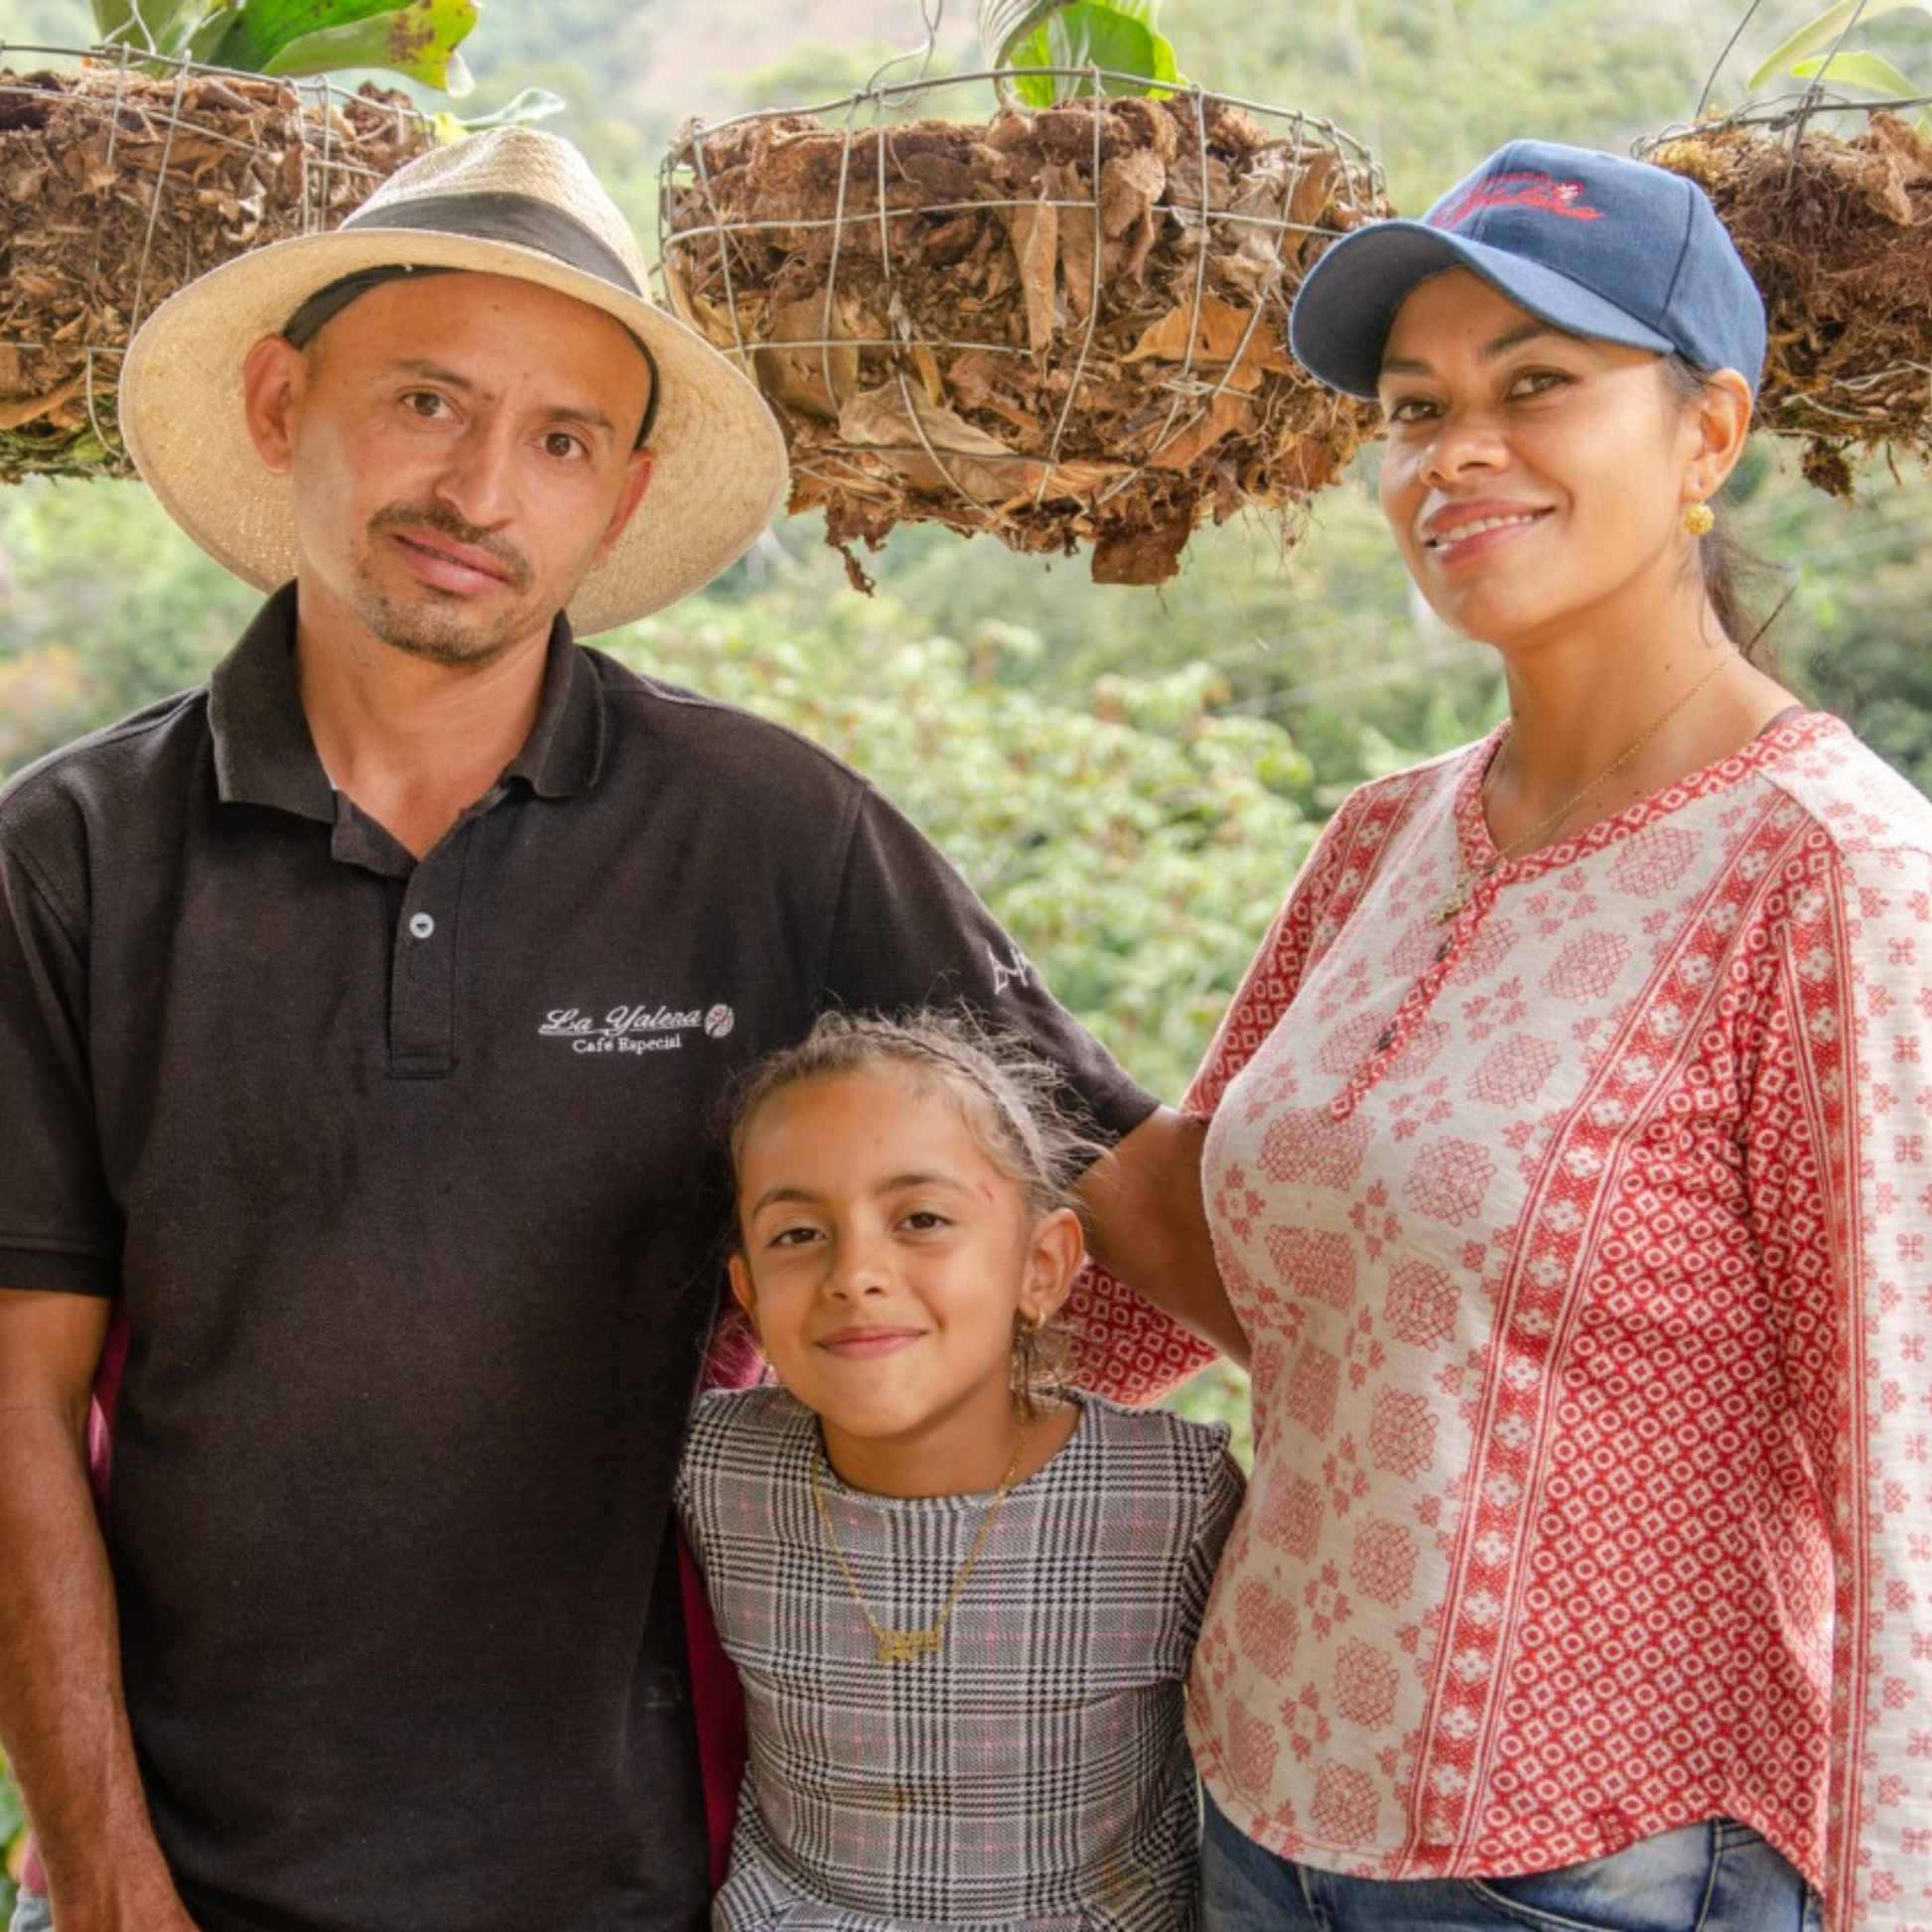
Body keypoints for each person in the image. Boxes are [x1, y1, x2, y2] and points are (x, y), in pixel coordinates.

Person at [0, 129, 1236, 1932]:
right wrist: (105, 1868)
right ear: (283, 401)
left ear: (620, 488)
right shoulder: (69, 858)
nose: (483, 488)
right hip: (194, 1867)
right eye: (426, 399)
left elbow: (1124, 1208)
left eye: (560, 440)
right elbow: (17, 1406)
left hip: (654, 1867)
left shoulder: (772, 829)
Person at [1166, 141, 1932, 1929]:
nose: (1455, 452)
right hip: (1259, 1803)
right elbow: (1167, 1225)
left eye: (1537, 387)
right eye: (1416, 407)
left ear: (1707, 436)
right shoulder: (1379, 835)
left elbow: (1907, 1458)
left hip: (1598, 1859)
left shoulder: (1828, 873)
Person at [678, 1012, 1245, 1929]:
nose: (856, 1272)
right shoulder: (712, 1471)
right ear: (748, 1293)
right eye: (796, 1235)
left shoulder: (1172, 1497)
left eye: (923, 1219)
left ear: (1042, 1265)